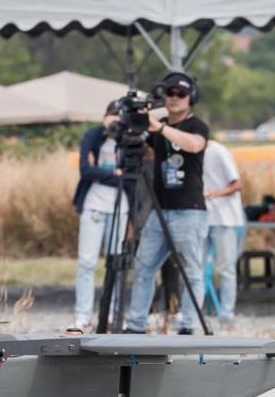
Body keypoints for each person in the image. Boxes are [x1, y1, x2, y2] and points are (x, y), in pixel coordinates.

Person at [125, 72, 209, 335]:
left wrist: (160, 126)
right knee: (143, 266)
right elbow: (128, 129)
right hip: (160, 210)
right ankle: (136, 324)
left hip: (189, 210)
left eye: (180, 94)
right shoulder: (159, 126)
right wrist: (144, 113)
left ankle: (188, 325)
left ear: (191, 98)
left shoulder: (197, 126)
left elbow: (194, 146)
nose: (173, 98)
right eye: (169, 93)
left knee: (191, 271)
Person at [71, 101, 127, 330]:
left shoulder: (127, 140)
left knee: (115, 262)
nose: (115, 122)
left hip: (119, 205)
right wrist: (113, 172)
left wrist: (102, 173)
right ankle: (82, 314)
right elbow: (85, 170)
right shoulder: (94, 136)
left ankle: (113, 312)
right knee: (87, 262)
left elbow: (130, 175)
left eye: (119, 118)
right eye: (112, 116)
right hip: (94, 204)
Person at [203, 139, 245, 323]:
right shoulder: (188, 151)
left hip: (224, 218)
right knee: (198, 266)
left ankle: (227, 313)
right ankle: (197, 311)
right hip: (202, 217)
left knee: (226, 267)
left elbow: (237, 184)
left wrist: (215, 194)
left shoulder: (218, 151)